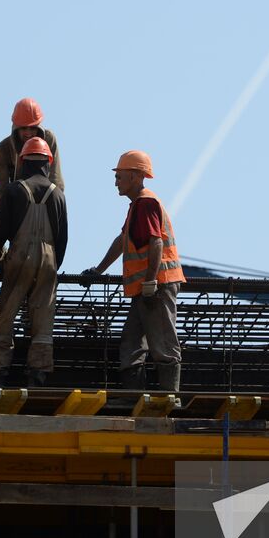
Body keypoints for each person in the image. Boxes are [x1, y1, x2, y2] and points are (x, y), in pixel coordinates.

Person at [81, 150, 185, 392]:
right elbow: (123, 239)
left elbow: (156, 242)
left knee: (162, 341)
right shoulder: (136, 207)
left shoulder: (146, 203)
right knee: (131, 342)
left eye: (120, 175)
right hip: (144, 290)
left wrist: (150, 283)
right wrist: (98, 270)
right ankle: (133, 395)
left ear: (137, 176)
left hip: (156, 287)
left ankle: (171, 395)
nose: (116, 181)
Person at [0, 138, 68, 388]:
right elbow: (63, 237)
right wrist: (52, 266)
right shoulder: (58, 195)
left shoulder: (15, 190)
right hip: (50, 258)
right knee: (43, 316)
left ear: (23, 161)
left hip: (20, 257)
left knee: (7, 313)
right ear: (47, 163)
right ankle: (38, 373)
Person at [0, 97, 63, 201]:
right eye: (24, 128)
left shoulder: (48, 139)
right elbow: (0, 190)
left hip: (45, 199)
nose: (28, 133)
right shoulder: (4, 149)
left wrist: (55, 205)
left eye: (33, 128)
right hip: (17, 202)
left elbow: (55, 178)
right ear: (16, 128)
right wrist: (8, 213)